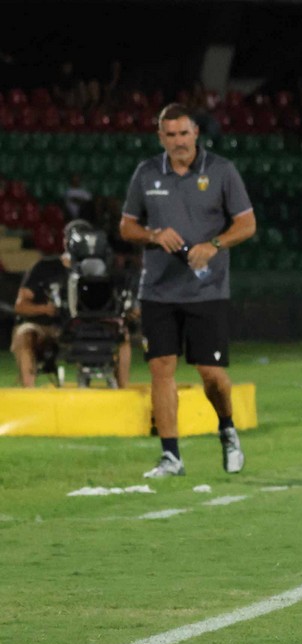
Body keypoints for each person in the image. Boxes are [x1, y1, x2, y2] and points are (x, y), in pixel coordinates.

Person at [119, 103, 256, 478]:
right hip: (158, 289)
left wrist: (214, 244)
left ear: (196, 133)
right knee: (160, 369)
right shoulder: (147, 173)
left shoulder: (221, 170)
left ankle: (227, 428)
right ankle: (171, 456)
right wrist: (152, 234)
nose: (178, 142)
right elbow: (127, 227)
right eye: (170, 135)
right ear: (160, 137)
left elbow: (246, 224)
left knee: (210, 372)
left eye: (184, 133)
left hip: (206, 289)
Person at [9, 219, 132, 388]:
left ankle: (123, 389)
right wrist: (44, 309)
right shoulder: (45, 267)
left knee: (122, 334)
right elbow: (20, 305)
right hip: (49, 327)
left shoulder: (101, 269)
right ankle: (29, 390)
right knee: (25, 334)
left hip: (88, 323)